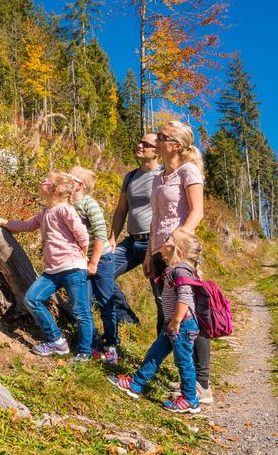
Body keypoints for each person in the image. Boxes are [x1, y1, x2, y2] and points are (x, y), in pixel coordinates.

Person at [0, 170, 93, 361]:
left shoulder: (64, 210)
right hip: (52, 271)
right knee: (32, 299)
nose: (41, 182)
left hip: (72, 268)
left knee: (81, 310)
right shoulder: (45, 213)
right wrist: (1, 221)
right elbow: (25, 226)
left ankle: (85, 352)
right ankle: (57, 341)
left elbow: (83, 235)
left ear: (54, 189)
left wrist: (83, 256)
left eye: (45, 181)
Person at [145, 120, 213, 404]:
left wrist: (179, 241)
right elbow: (156, 219)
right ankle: (185, 377)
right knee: (168, 314)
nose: (156, 140)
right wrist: (150, 253)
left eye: (161, 136)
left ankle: (203, 384)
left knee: (190, 316)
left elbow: (196, 212)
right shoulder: (159, 175)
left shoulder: (189, 170)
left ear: (176, 145)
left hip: (180, 253)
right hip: (160, 253)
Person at [108, 228, 204, 414]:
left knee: (184, 362)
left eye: (169, 239)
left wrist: (176, 321)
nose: (164, 240)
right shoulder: (174, 269)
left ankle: (191, 399)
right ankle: (136, 384)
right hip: (173, 325)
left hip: (181, 325)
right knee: (155, 354)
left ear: (178, 250)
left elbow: (185, 298)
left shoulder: (181, 270)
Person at [108, 133, 161, 325]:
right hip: (131, 242)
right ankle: (128, 320)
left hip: (155, 243)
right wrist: (112, 238)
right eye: (139, 141)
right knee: (102, 271)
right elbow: (121, 210)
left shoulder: (163, 175)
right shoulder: (130, 176)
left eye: (146, 144)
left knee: (160, 296)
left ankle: (165, 342)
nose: (140, 145)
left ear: (157, 152)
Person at [69, 166, 118, 364]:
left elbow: (99, 234)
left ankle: (111, 344)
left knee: (106, 303)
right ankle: (90, 345)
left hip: (101, 260)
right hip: (81, 262)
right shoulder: (67, 205)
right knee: (83, 305)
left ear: (80, 185)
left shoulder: (89, 204)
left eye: (68, 178)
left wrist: (94, 262)